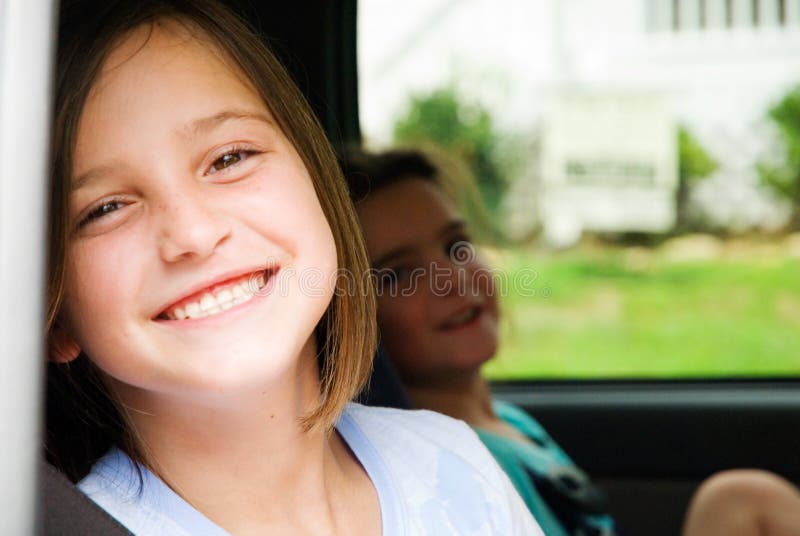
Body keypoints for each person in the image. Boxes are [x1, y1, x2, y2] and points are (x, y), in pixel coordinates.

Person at [44, 2, 543, 534]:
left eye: (230, 158)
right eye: (105, 209)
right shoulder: (76, 525)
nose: (191, 233)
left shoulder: (460, 471)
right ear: (55, 315)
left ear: (319, 187)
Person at [342, 147, 800, 536]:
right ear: (353, 324)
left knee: (740, 500)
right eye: (398, 275)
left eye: (457, 247)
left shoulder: (508, 421)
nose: (450, 279)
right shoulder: (439, 466)